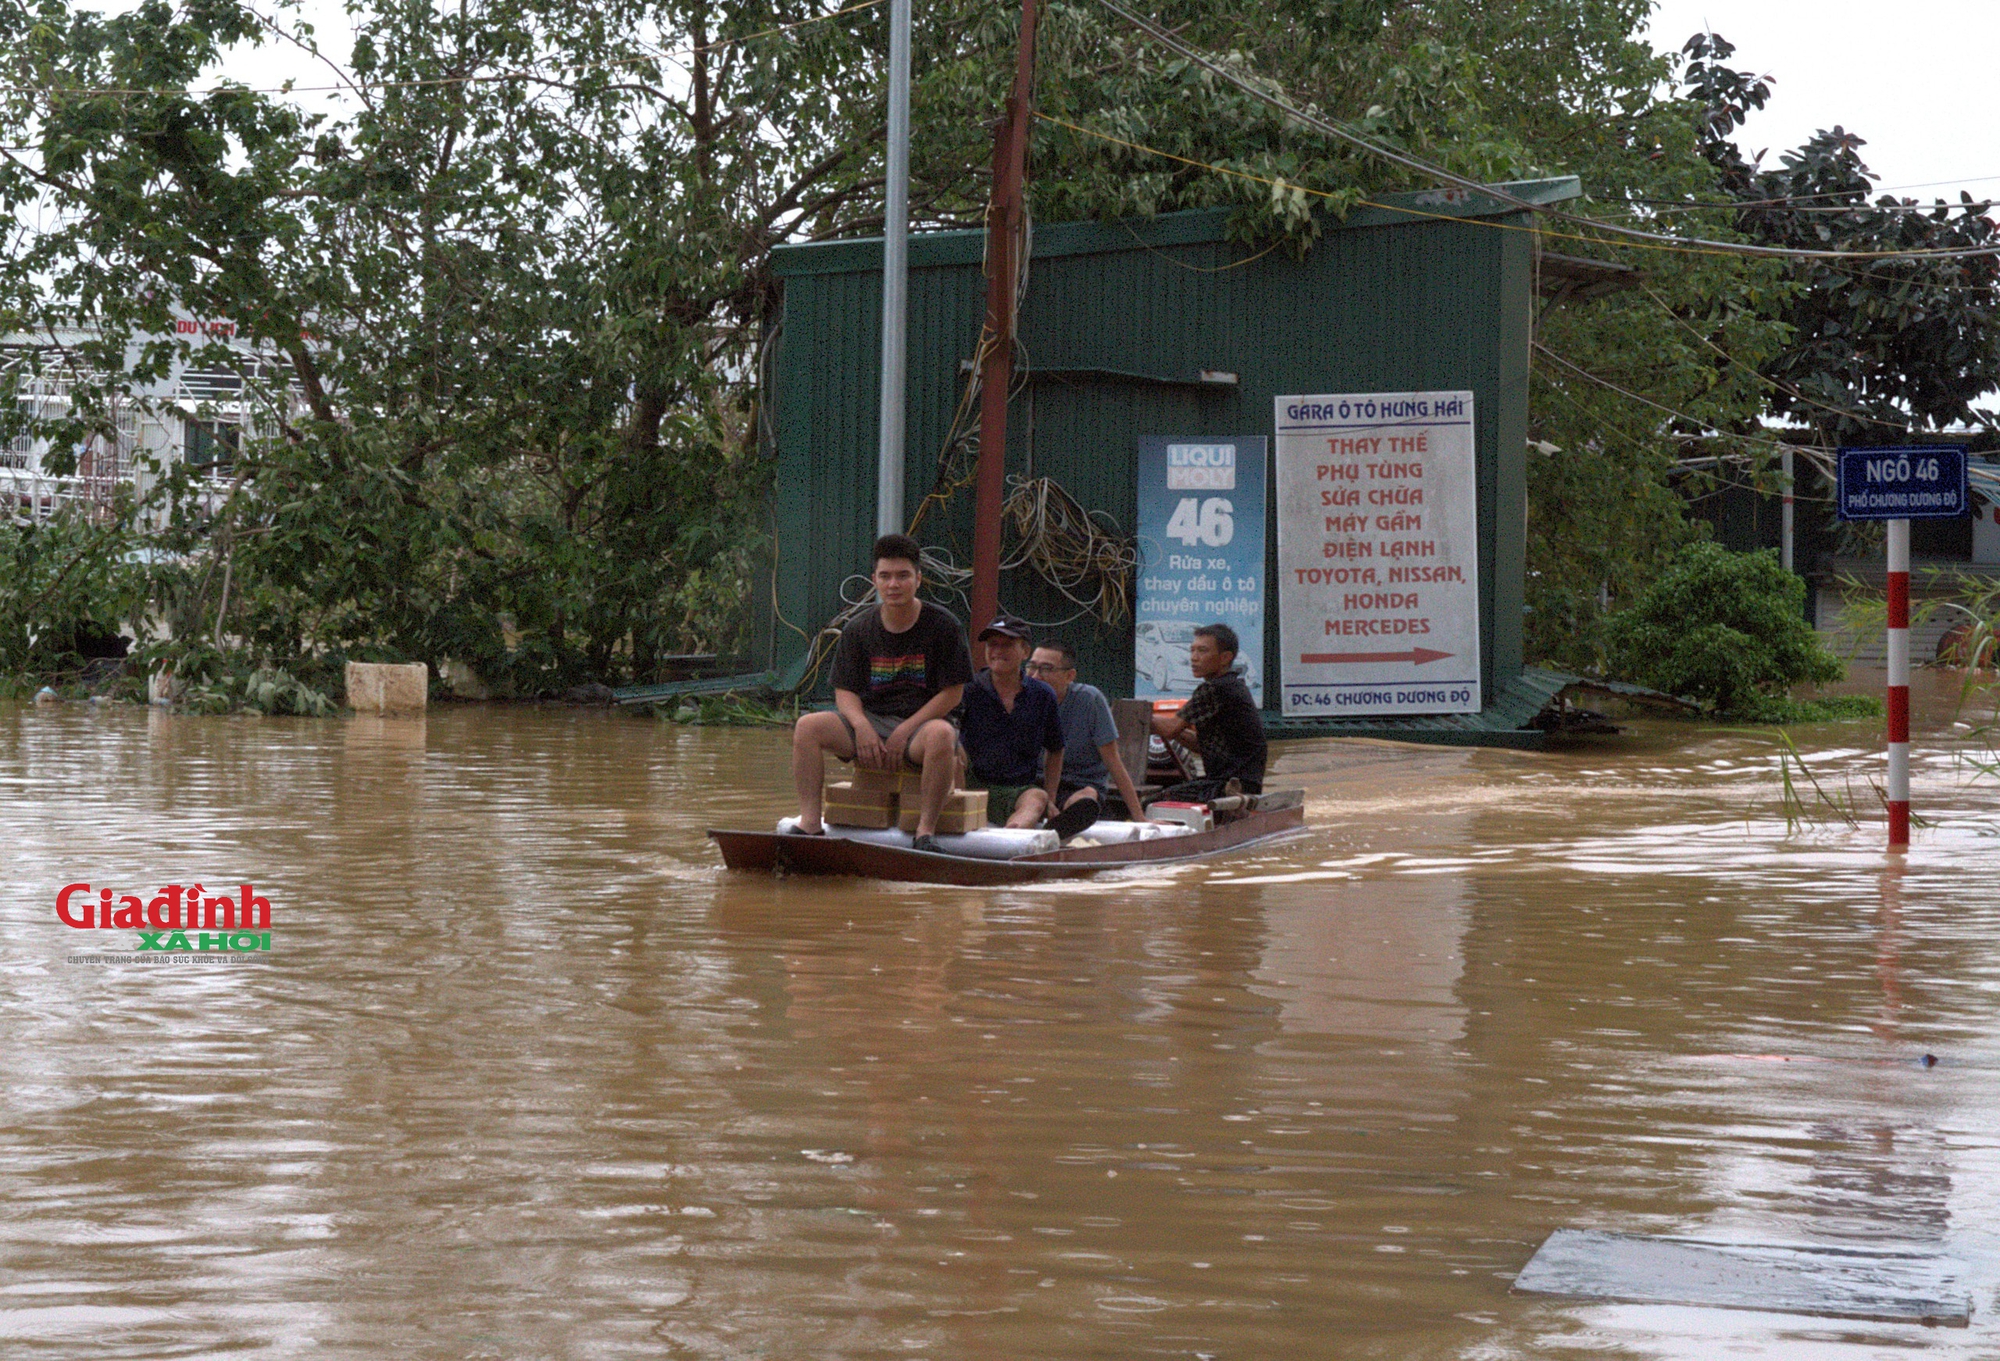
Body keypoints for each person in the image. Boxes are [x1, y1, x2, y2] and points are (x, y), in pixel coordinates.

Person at [791, 533, 973, 849]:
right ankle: (809, 824)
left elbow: (952, 694)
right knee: (807, 727)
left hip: (921, 726)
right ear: (874, 580)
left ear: (918, 579)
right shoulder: (858, 628)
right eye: (885, 576)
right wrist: (861, 726)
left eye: (903, 576)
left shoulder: (944, 625)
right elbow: (844, 692)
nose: (894, 584)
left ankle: (925, 832)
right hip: (871, 719)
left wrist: (906, 729)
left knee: (943, 735)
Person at [957, 613, 1067, 830]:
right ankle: (962, 821)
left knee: (1037, 797)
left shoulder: (1042, 695)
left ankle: (1010, 839)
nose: (997, 651)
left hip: (1017, 791)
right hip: (970, 787)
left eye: (1007, 645)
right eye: (992, 644)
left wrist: (1051, 798)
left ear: (1025, 651)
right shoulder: (967, 688)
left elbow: (1056, 748)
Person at [1028, 641, 1148, 826]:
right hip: (1036, 784)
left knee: (1086, 798)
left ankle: (1068, 822)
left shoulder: (1089, 700)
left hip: (1080, 784)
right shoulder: (1022, 698)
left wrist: (1139, 817)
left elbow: (1113, 761)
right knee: (1032, 799)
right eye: (1032, 667)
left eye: (1046, 669)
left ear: (1070, 675)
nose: (1036, 676)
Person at [1150, 623, 1266, 799]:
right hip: (1243, 783)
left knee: (1152, 802)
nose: (1194, 658)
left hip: (1227, 784)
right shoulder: (1233, 685)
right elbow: (1202, 745)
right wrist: (1169, 731)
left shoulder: (1214, 689)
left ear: (1225, 657)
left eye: (1202, 651)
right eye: (1192, 651)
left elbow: (1170, 728)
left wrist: (1134, 716)